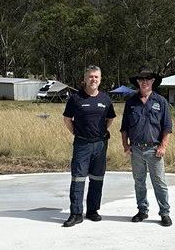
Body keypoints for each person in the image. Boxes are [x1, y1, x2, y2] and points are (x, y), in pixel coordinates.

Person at [62, 65, 116, 227]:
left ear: (100, 80)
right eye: (90, 76)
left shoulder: (105, 99)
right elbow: (67, 119)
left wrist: (102, 132)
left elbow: (110, 118)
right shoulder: (75, 98)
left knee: (97, 178)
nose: (93, 79)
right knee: (78, 178)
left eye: (96, 77)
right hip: (82, 144)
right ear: (85, 79)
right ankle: (76, 213)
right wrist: (77, 133)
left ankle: (92, 210)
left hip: (100, 144)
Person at [120, 67, 173, 227]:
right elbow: (124, 128)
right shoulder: (130, 102)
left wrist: (163, 146)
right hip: (136, 149)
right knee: (139, 182)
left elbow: (167, 127)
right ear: (137, 82)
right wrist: (125, 145)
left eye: (148, 79)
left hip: (154, 150)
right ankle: (142, 210)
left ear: (153, 82)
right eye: (141, 79)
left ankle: (165, 213)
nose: (144, 82)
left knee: (160, 183)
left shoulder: (160, 102)